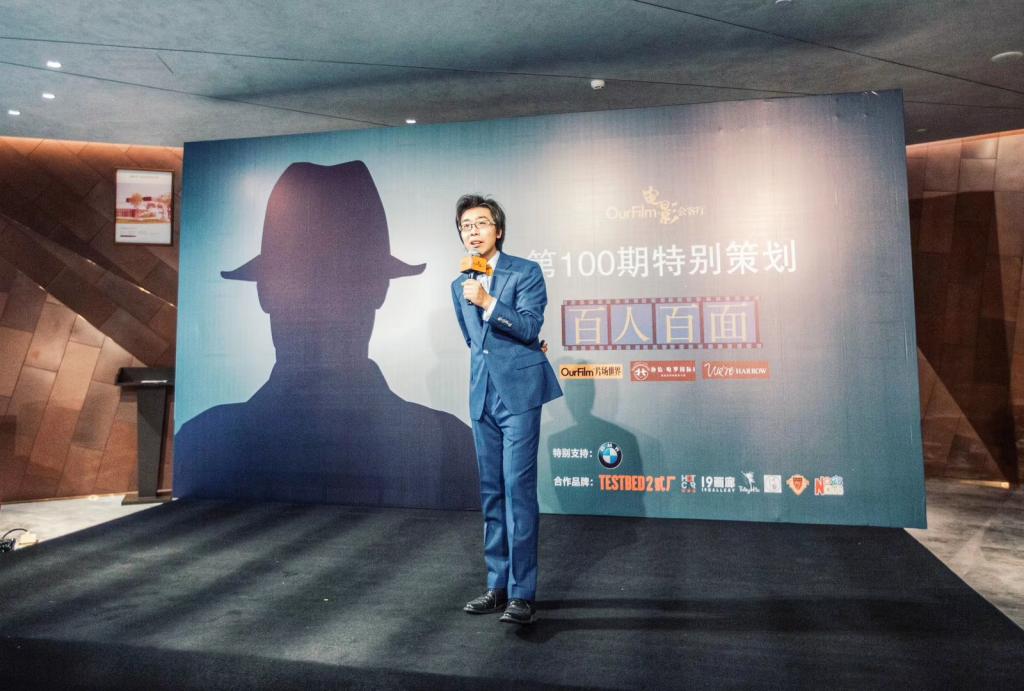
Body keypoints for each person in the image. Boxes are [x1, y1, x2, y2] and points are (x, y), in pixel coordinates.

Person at [175, 161, 478, 510]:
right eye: (303, 281)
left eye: (342, 282)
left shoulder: (204, 441)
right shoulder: (449, 445)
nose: (320, 304)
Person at [451, 194, 562, 624]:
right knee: (491, 492)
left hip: (518, 395)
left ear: (498, 229)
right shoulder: (458, 285)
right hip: (482, 396)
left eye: (480, 223)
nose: (473, 231)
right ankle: (496, 586)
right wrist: (475, 299)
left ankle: (522, 593)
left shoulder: (525, 271)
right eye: (466, 226)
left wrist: (489, 302)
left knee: (518, 490)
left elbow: (531, 326)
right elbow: (474, 342)